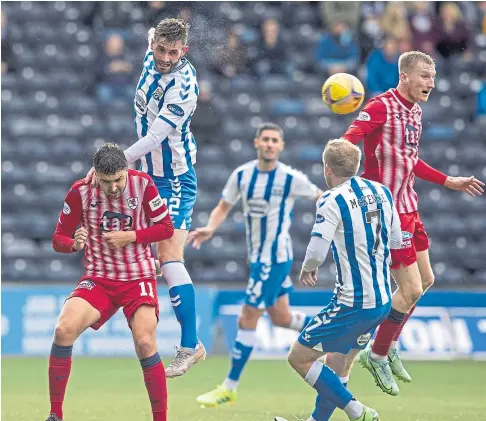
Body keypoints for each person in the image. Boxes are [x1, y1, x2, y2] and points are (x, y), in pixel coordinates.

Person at [342, 50, 484, 395]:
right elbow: (347, 142)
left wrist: (448, 180)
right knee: (411, 289)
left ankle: (387, 343)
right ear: (404, 76)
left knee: (428, 279)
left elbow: (410, 160)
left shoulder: (416, 112)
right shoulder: (379, 106)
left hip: (410, 205)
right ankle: (375, 354)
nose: (430, 83)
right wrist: (347, 183)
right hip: (387, 213)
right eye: (423, 76)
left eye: (432, 77)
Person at [86, 18, 205, 378]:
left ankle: (190, 346)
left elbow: (154, 139)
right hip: (146, 175)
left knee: (169, 256)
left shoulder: (183, 86)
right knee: (147, 254)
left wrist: (113, 164)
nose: (166, 58)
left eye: (174, 52)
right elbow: (156, 29)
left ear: (184, 51)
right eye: (161, 50)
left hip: (173, 179)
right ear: (153, 43)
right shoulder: (152, 48)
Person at [189, 123, 323, 407]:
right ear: (256, 143)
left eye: (275, 140)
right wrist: (211, 228)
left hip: (274, 259)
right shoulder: (242, 175)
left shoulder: (289, 178)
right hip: (258, 259)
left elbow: (321, 197)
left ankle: (229, 386)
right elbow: (224, 206)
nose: (270, 144)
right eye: (266, 139)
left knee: (246, 318)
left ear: (281, 146)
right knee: (282, 318)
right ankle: (336, 331)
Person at [275, 138, 402, 421]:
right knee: (337, 362)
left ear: (327, 168)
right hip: (382, 299)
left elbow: (317, 249)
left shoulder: (331, 199)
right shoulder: (382, 191)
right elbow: (396, 239)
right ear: (356, 166)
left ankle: (359, 412)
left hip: (352, 302)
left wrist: (308, 267)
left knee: (298, 357)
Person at [46, 143, 174, 421]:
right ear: (96, 176)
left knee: (144, 341)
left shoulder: (143, 184)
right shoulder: (79, 191)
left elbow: (166, 228)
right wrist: (73, 244)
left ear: (126, 171)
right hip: (99, 278)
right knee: (63, 329)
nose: (114, 187)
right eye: (107, 182)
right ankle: (55, 414)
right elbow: (58, 238)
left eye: (118, 179)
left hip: (138, 276)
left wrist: (132, 236)